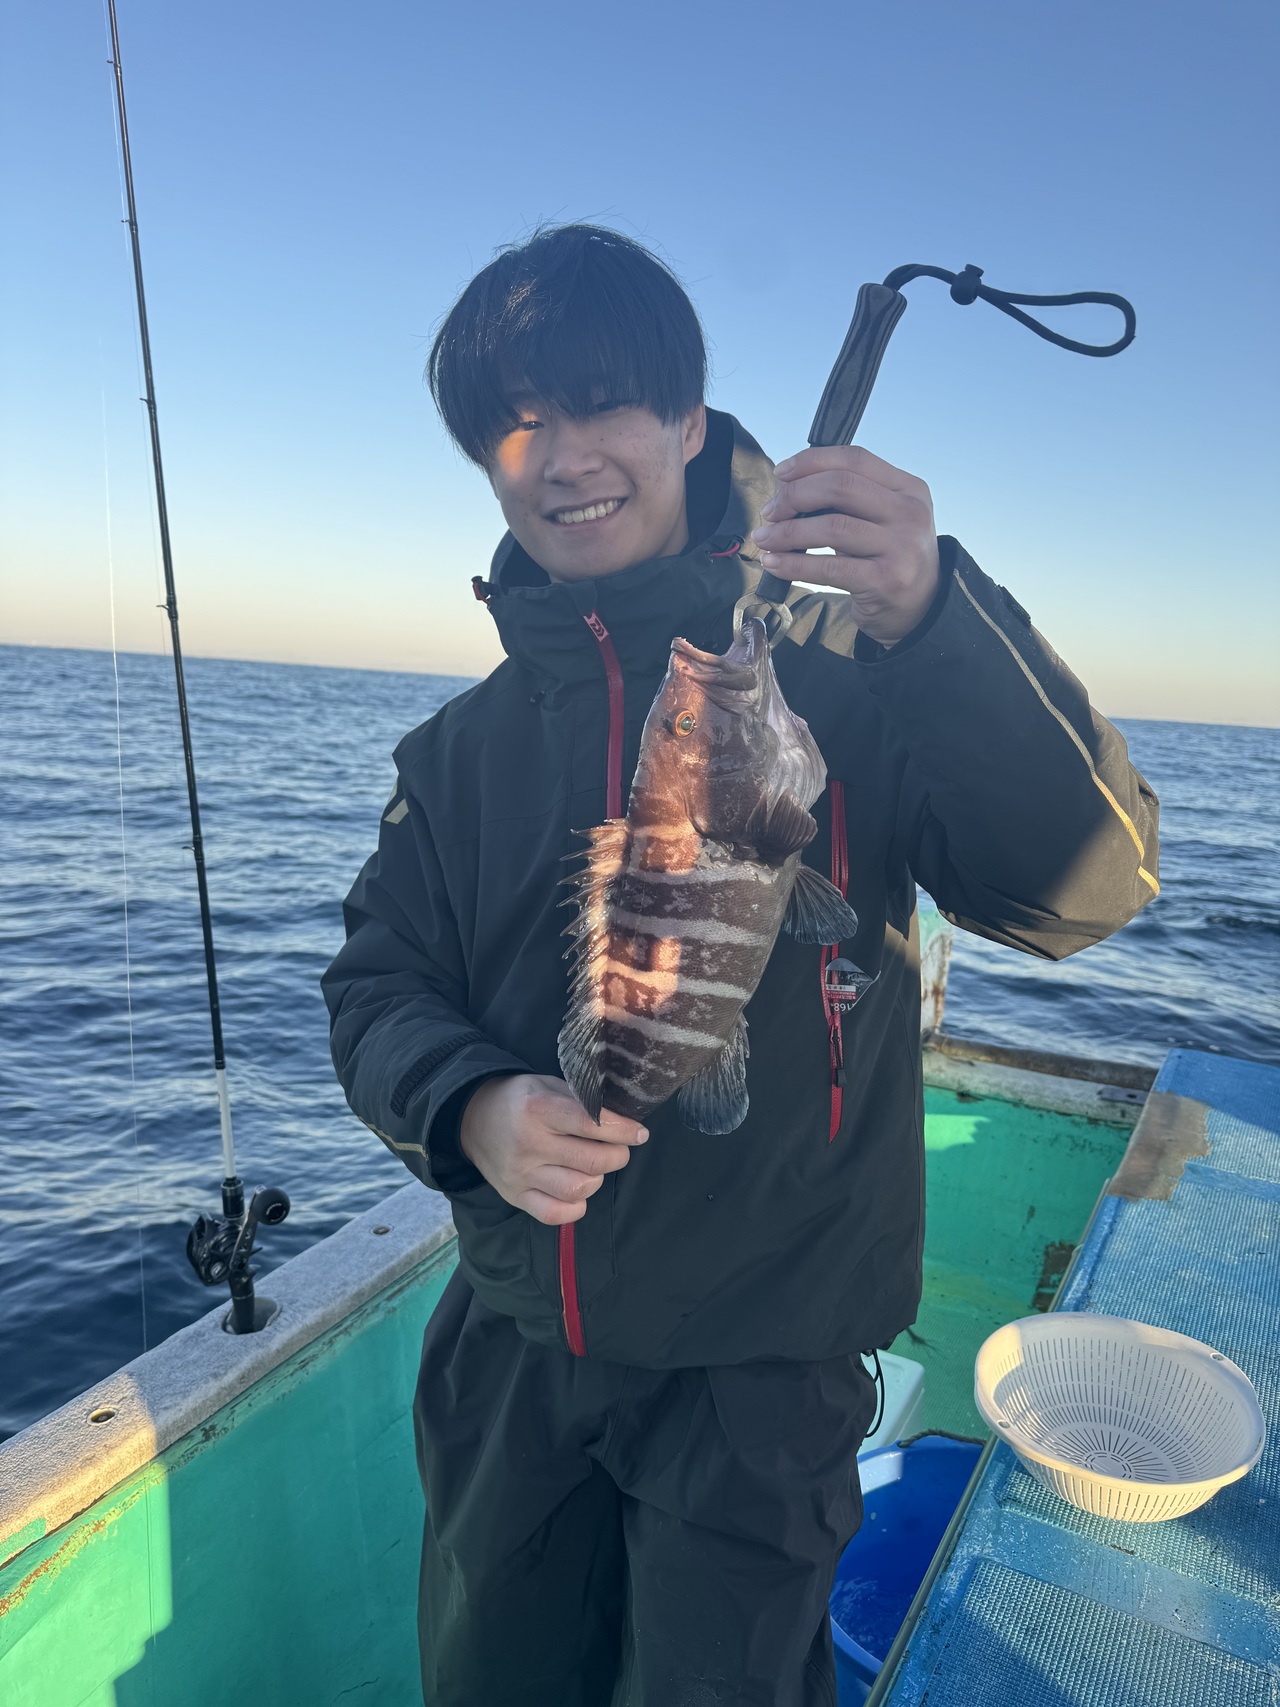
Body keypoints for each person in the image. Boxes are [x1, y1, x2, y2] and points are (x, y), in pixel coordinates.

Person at [322, 223, 1159, 1707]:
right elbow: (374, 991)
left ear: (690, 422)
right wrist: (470, 1109)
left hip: (761, 1387)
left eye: (604, 402)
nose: (563, 455)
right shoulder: (454, 753)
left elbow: (1082, 892)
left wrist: (935, 615)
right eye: (517, 421)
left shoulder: (851, 669)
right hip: (510, 1357)